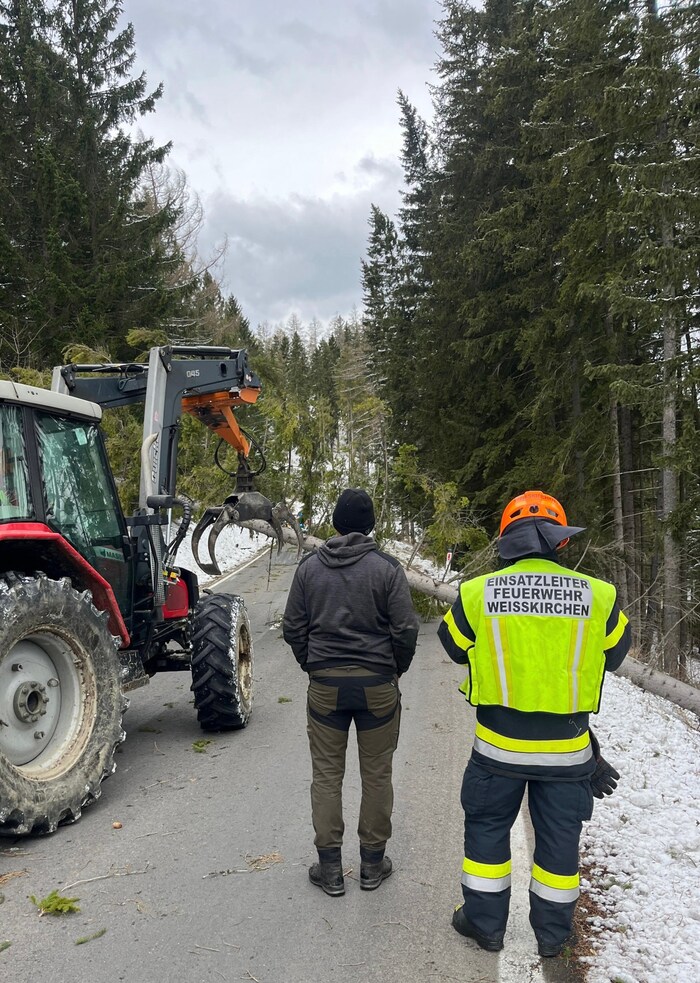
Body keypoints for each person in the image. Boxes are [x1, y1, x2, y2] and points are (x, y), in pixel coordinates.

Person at [438, 490, 630, 958]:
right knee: (560, 844)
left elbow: (451, 644)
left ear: (507, 539)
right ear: (560, 543)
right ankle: (552, 936)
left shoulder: (476, 593)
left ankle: (485, 926)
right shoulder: (599, 597)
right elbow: (617, 656)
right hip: (567, 753)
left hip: (497, 750)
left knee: (486, 832)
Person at [283, 488, 420, 897]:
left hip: (325, 686)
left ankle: (329, 870)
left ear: (336, 525)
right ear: (371, 526)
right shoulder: (388, 569)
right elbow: (407, 630)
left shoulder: (310, 569)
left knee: (327, 775)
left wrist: (313, 663)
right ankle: (372, 867)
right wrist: (394, 669)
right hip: (378, 685)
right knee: (377, 773)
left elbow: (293, 626)